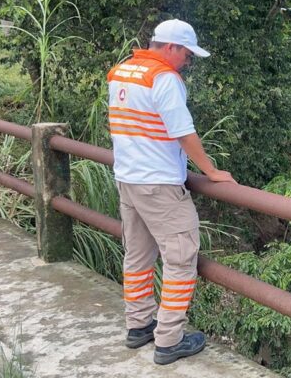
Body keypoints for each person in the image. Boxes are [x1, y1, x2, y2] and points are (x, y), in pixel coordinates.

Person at [106, 19, 235, 365]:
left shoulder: (123, 72)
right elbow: (183, 131)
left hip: (128, 180)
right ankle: (168, 339)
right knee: (180, 258)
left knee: (137, 256)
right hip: (159, 184)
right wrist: (210, 171)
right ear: (171, 48)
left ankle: (139, 326)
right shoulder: (164, 78)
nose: (188, 62)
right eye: (187, 54)